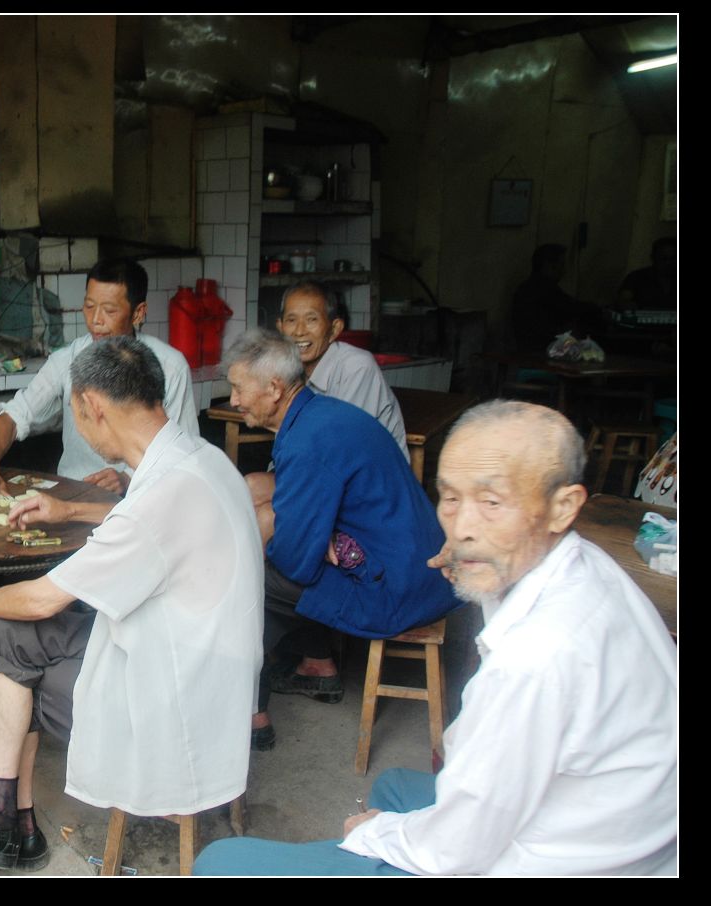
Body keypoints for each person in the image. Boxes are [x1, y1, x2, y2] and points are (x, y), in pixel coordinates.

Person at [195, 401, 677, 875]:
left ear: (562, 506)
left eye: (491, 502)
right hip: (619, 838)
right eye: (450, 498)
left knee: (222, 862)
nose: (462, 528)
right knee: (395, 786)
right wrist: (476, 561)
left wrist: (375, 831)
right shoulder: (585, 565)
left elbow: (457, 849)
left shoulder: (536, 656)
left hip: (560, 861)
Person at [0, 337, 260, 870]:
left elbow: (45, 598)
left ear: (92, 405)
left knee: (2, 647)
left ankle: (3, 821)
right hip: (203, 661)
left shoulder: (163, 496)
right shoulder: (199, 460)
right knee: (6, 636)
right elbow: (148, 522)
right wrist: (69, 512)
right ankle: (8, 822)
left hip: (177, 704)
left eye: (74, 412)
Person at [225, 329, 455, 751]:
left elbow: (295, 563)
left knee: (244, 576)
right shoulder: (320, 414)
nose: (234, 400)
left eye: (239, 389)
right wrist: (315, 534)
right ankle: (317, 662)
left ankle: (249, 708)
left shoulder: (308, 442)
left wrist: (292, 541)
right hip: (414, 565)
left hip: (394, 590)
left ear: (274, 389)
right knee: (256, 492)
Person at [0, 258, 198, 500]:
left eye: (109, 311)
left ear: (138, 313)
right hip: (69, 496)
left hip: (139, 501)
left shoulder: (170, 367)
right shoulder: (66, 359)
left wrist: (128, 478)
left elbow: (184, 453)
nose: (96, 320)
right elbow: (14, 416)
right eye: (89, 306)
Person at [276, 281, 406, 458]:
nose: (299, 331)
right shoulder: (287, 369)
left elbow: (343, 445)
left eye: (311, 319)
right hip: (319, 464)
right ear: (281, 327)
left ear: (334, 329)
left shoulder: (357, 367)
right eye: (291, 320)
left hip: (364, 470)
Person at [510, 244, 602, 350]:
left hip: (528, 347)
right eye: (561, 265)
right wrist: (597, 309)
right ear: (548, 265)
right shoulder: (545, 288)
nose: (564, 270)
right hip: (542, 349)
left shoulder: (526, 287)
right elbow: (570, 307)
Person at [617, 237, 676, 312]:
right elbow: (623, 301)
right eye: (663, 258)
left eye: (673, 259)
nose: (668, 263)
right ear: (653, 258)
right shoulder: (637, 277)